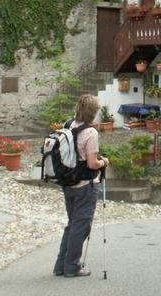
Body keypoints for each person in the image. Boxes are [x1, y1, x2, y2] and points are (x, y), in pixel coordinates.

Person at [53, 94, 109, 278]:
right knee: (81, 226)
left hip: (68, 183)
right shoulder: (91, 133)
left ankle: (60, 265)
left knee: (72, 224)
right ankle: (72, 266)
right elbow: (92, 164)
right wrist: (103, 162)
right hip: (85, 185)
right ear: (93, 112)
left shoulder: (68, 125)